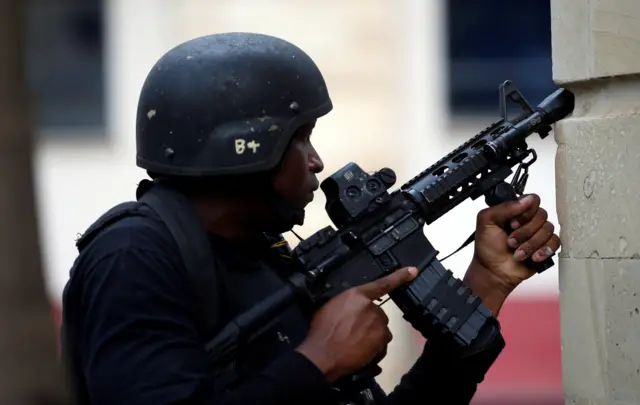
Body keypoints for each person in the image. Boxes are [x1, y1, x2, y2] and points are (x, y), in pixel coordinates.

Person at [60, 32, 561, 405]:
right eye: (299, 139)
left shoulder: (268, 262)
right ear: (246, 149)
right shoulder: (133, 259)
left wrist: (487, 284)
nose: (316, 161)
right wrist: (318, 360)